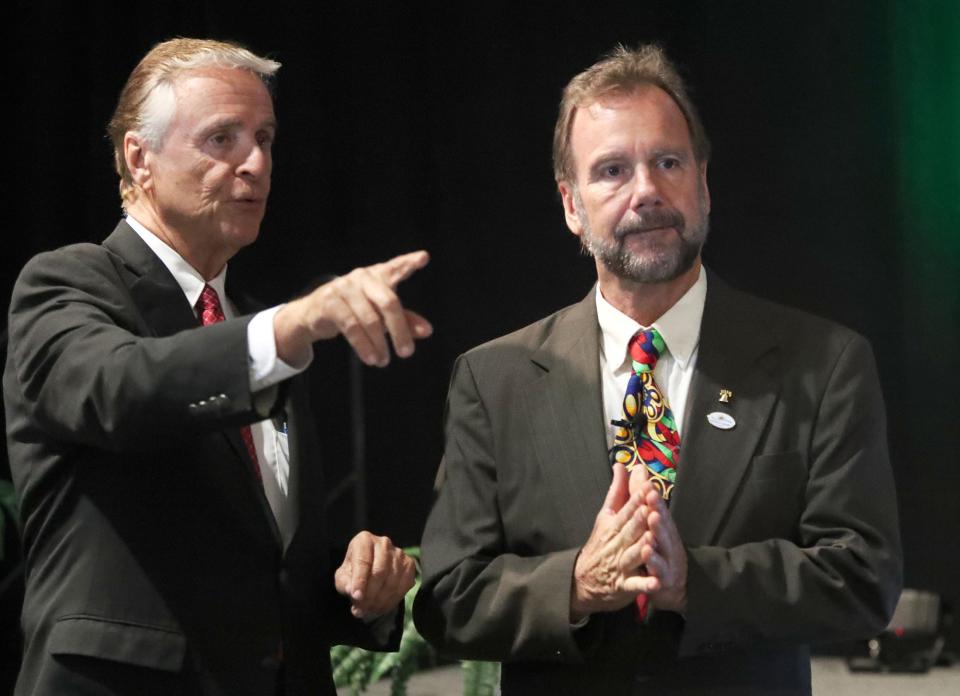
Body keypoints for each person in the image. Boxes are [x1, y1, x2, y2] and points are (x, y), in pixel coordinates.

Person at [414, 44, 902, 695]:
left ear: (703, 182)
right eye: (612, 170)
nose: (646, 190)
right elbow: (447, 597)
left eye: (667, 162)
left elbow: (865, 578)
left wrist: (695, 583)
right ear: (570, 205)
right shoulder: (494, 379)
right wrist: (577, 585)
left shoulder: (823, 364)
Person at [3, 38, 429, 696]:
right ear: (138, 158)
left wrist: (357, 588)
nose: (256, 162)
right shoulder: (66, 286)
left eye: (265, 137)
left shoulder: (256, 327)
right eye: (222, 139)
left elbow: (266, 566)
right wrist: (287, 328)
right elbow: (122, 389)